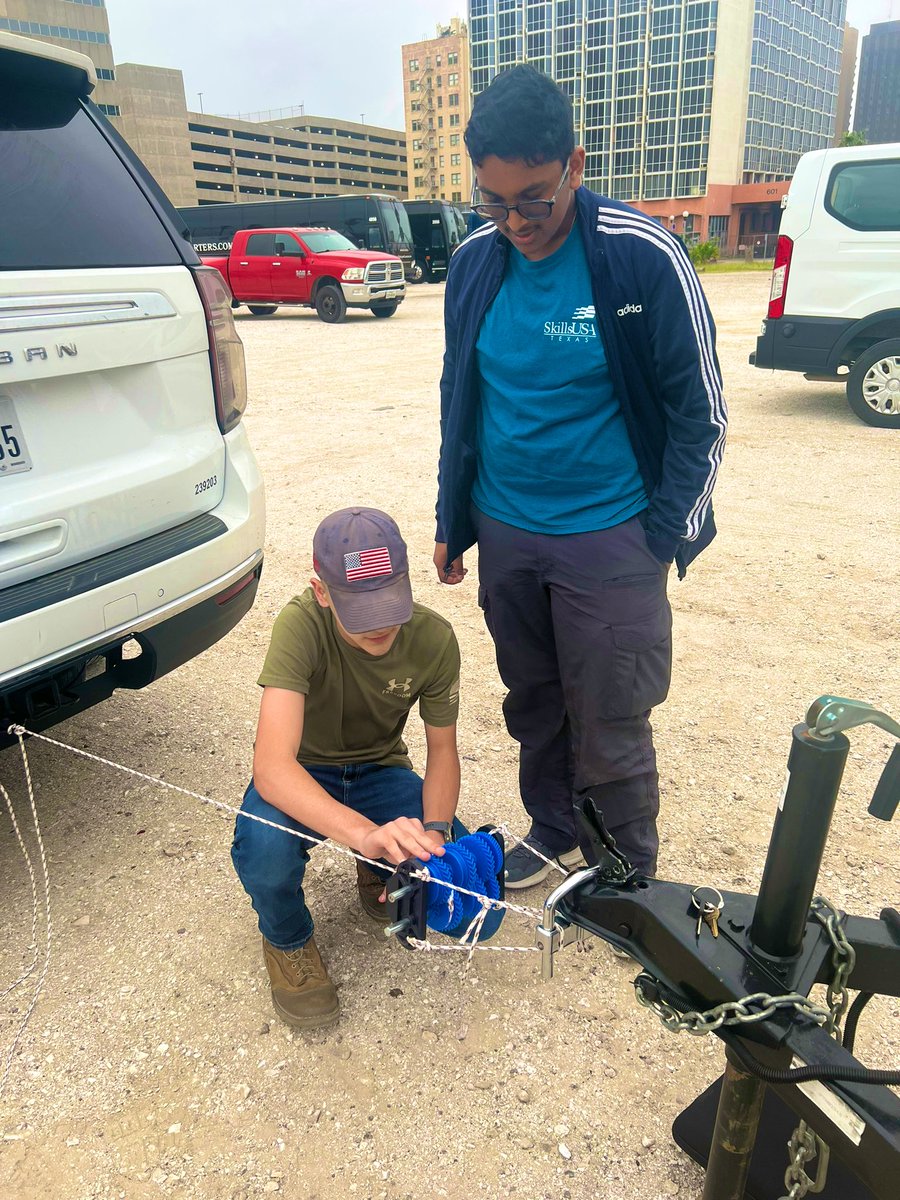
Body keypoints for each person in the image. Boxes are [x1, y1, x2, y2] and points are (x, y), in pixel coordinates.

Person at [433, 65, 726, 888]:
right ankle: (555, 827)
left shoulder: (642, 256)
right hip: (508, 530)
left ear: (577, 166)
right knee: (534, 700)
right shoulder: (474, 264)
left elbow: (701, 411)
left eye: (533, 197)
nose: (515, 221)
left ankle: (625, 873)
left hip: (612, 534)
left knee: (612, 717)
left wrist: (659, 536)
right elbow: (462, 396)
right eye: (493, 201)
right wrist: (454, 517)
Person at [232, 507, 463, 1029]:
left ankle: (379, 868)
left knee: (447, 851)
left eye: (389, 600)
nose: (381, 624)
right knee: (264, 855)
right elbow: (271, 768)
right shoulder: (299, 624)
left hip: (380, 768)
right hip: (302, 771)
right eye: (361, 608)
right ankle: (288, 941)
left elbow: (442, 753)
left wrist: (434, 833)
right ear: (322, 591)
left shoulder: (434, 639)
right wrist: (364, 834)